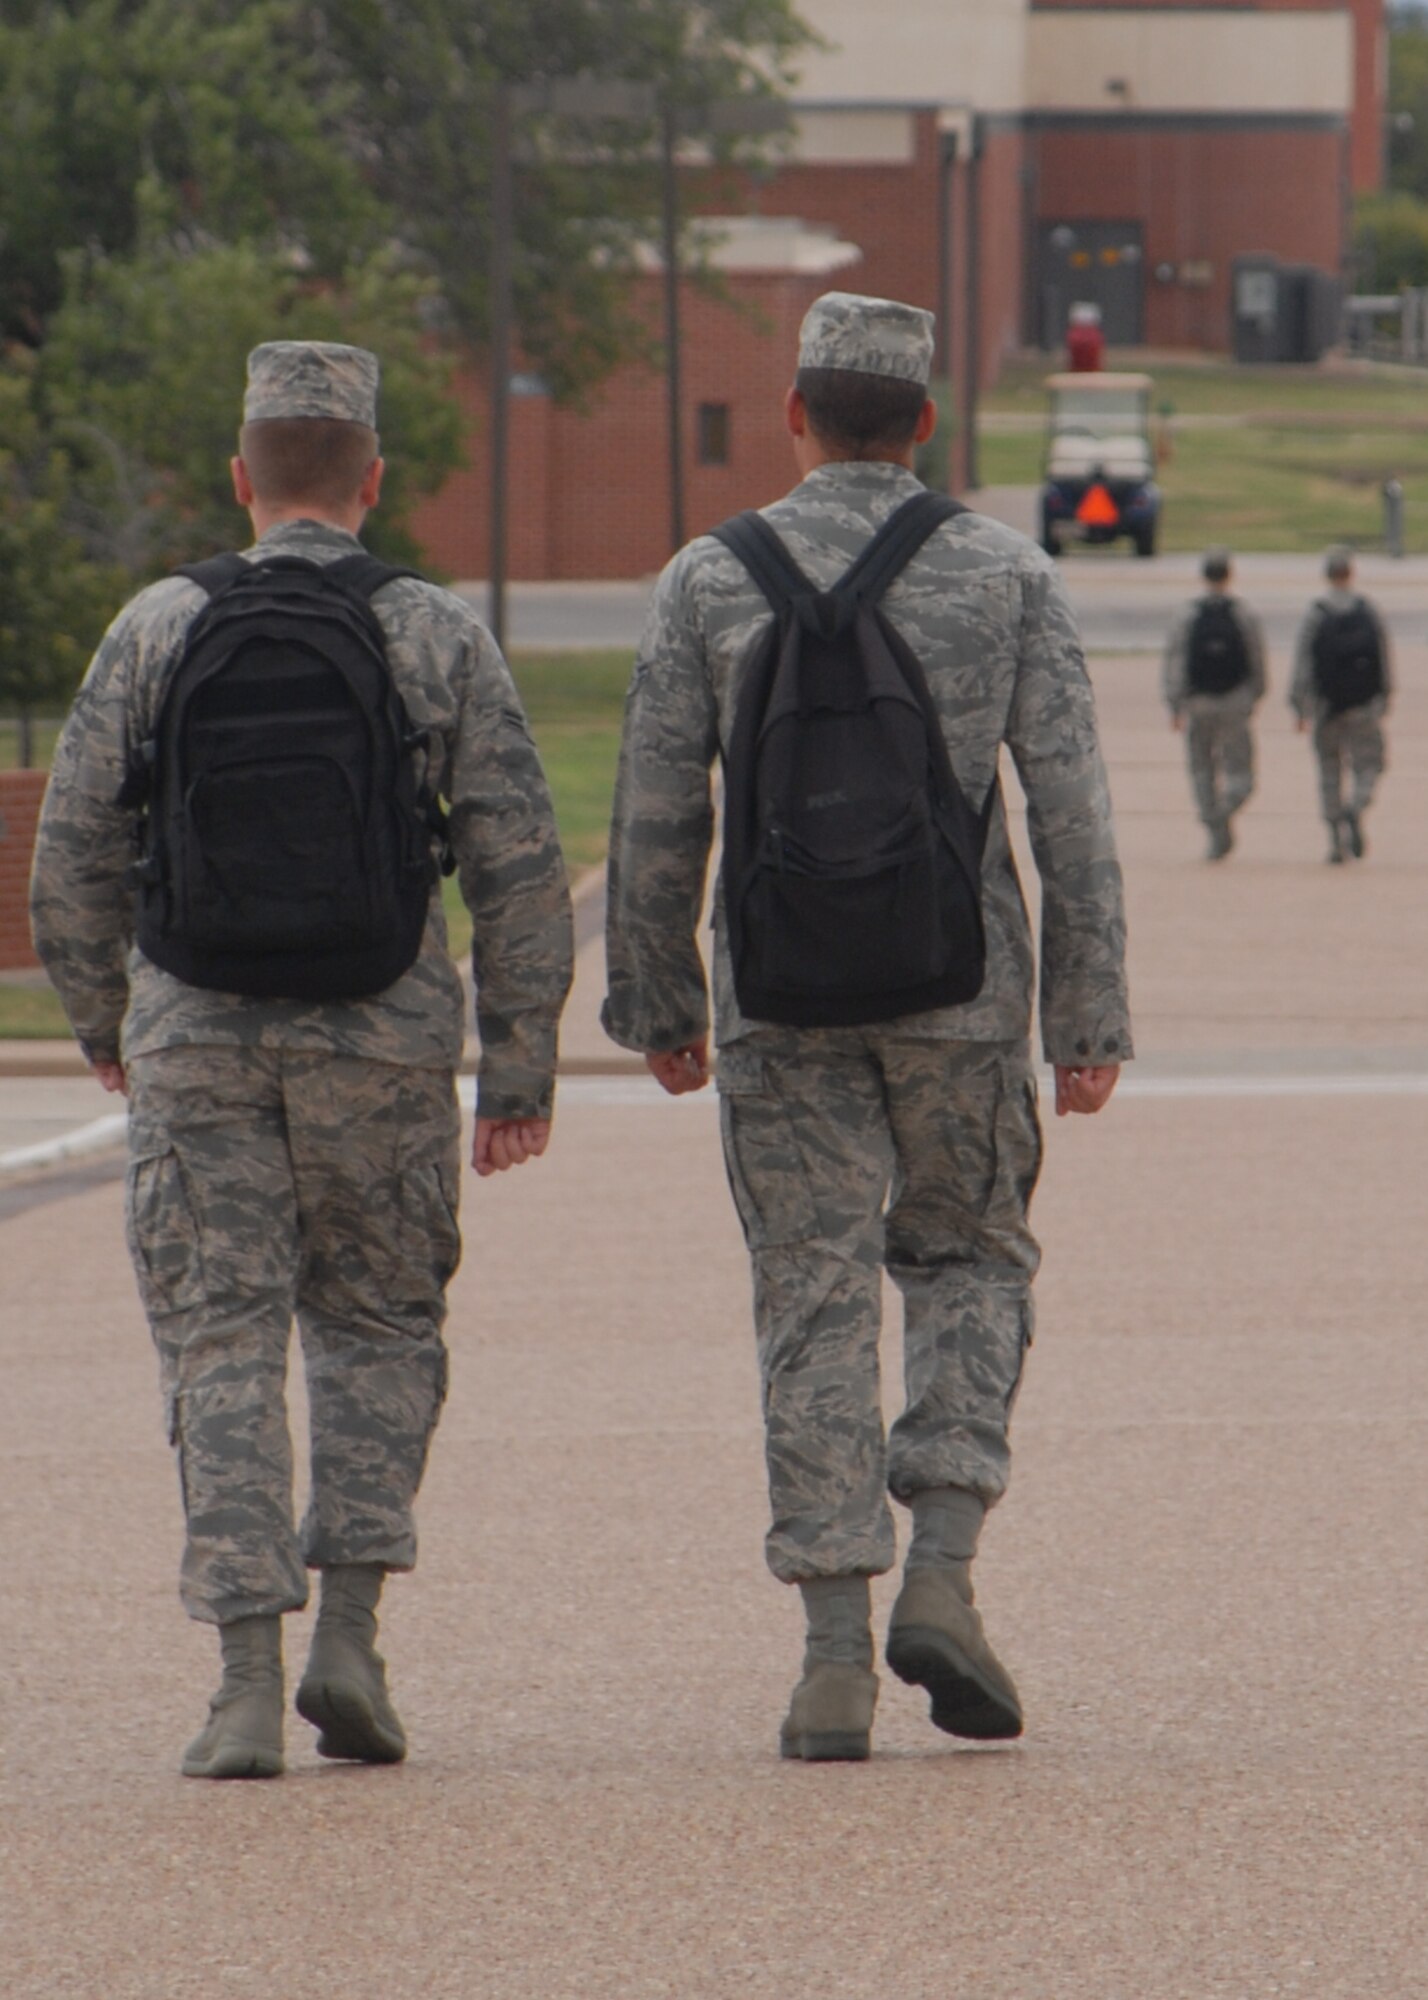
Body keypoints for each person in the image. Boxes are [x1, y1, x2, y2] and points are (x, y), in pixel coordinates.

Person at [30, 341, 573, 1778]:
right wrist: (516, 1068)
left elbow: (71, 853)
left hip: (195, 1026)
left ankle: (243, 1683)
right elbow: (520, 862)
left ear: (241, 475)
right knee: (378, 1330)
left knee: (220, 1340)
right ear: (371, 478)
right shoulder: (434, 632)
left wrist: (110, 1029)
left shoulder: (154, 626)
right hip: (384, 1030)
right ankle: (350, 1632)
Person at [602, 291, 1131, 1761]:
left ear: (794, 414)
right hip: (963, 992)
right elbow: (1072, 811)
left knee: (811, 1295)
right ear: (926, 422)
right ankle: (945, 1570)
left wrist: (656, 1001)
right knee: (969, 1260)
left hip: (779, 1000)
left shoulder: (709, 582)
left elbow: (656, 814)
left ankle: (833, 1655)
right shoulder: (1004, 573)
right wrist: (1088, 1013)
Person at [1161, 548, 1267, 860]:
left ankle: (1212, 821)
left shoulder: (1187, 615)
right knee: (1242, 774)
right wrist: (1254, 695)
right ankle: (1224, 812)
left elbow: (1176, 660)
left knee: (1201, 767)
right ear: (1229, 575)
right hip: (1234, 699)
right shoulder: (1243, 613)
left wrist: (1175, 702)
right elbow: (1256, 658)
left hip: (1198, 701)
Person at [1289, 545, 1391, 863]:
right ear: (1351, 572)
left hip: (1326, 706)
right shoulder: (1366, 610)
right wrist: (1384, 696)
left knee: (1329, 770)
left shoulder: (1316, 613)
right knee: (1370, 763)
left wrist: (1299, 705)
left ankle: (1335, 840)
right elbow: (1382, 657)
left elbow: (1303, 662)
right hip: (1363, 704)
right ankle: (1356, 806)